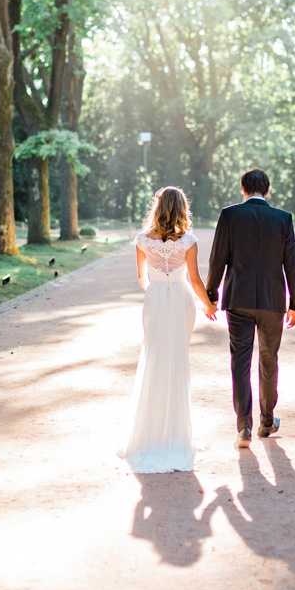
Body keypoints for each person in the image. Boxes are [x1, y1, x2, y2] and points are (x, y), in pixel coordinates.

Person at [120, 186, 217, 473]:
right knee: (177, 361)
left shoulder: (141, 240)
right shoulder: (189, 241)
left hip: (156, 300)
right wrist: (209, 305)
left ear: (158, 207)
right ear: (182, 208)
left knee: (154, 359)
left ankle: (149, 435)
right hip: (182, 300)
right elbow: (196, 280)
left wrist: (156, 293)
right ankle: (175, 436)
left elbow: (141, 276)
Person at [206, 167, 295, 449]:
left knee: (240, 362)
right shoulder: (283, 219)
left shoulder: (230, 215)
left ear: (243, 189)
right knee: (269, 359)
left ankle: (243, 427)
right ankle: (267, 421)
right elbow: (292, 264)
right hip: (273, 301)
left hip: (238, 299)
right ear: (267, 190)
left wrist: (212, 294)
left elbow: (217, 259)